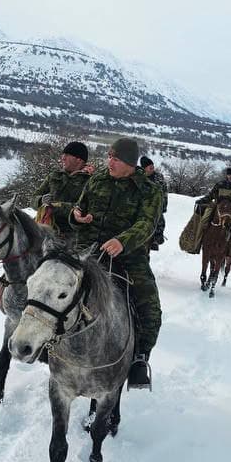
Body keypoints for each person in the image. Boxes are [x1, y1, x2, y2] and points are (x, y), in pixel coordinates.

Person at [72, 137, 164, 389]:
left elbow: (147, 224)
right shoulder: (97, 179)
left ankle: (139, 359)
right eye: (109, 156)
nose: (109, 161)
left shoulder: (149, 190)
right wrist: (76, 216)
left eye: (116, 158)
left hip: (128, 256)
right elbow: (80, 208)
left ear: (130, 163)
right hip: (87, 251)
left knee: (150, 306)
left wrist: (123, 241)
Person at [32, 141, 94, 232]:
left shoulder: (90, 181)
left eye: (67, 155)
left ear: (79, 160)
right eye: (63, 154)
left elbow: (84, 209)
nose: (63, 158)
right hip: (41, 227)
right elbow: (33, 198)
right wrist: (41, 200)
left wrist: (55, 205)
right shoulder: (54, 175)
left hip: (68, 234)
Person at [139, 156, 168, 250]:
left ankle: (156, 239)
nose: (152, 168)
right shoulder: (139, 177)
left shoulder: (158, 177)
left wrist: (163, 206)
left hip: (156, 204)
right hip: (142, 205)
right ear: (144, 168)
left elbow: (164, 192)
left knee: (160, 220)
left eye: (152, 166)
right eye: (149, 167)